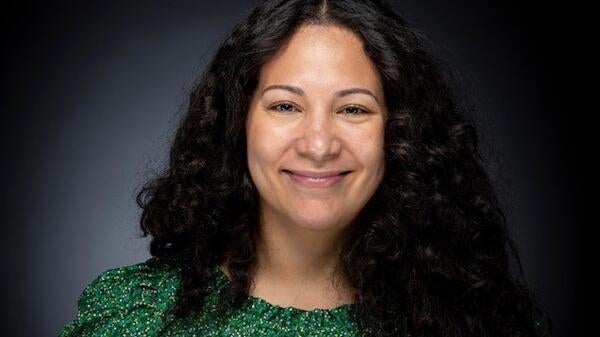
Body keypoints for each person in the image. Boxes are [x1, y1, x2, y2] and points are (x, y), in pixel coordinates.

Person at [59, 0, 552, 336]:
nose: (319, 145)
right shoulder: (131, 315)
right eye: (285, 106)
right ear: (238, 125)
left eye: (354, 109)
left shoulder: (485, 319)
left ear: (400, 134)